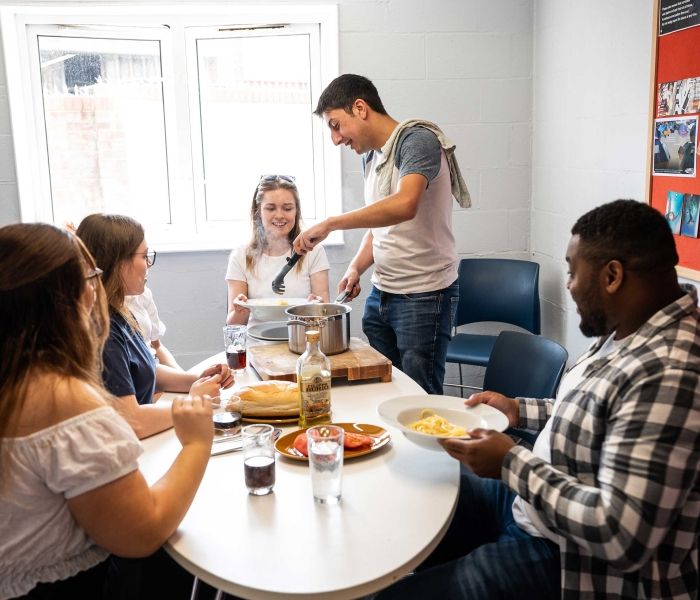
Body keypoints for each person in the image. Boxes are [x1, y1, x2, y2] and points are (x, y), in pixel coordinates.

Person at [376, 199, 700, 599]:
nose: (568, 285)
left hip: (571, 558)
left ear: (612, 275)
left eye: (571, 271)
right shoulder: (632, 329)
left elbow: (622, 536)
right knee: (427, 486)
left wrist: (511, 461)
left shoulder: (669, 372)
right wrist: (516, 410)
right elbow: (595, 414)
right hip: (539, 504)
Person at [0, 223, 214, 599]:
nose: (95, 286)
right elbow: (143, 532)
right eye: (90, 275)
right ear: (70, 297)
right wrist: (196, 443)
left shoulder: (15, 380)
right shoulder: (65, 402)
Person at [293, 74, 470, 394]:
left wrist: (331, 223)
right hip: (381, 294)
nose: (336, 139)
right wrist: (356, 267)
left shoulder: (418, 141)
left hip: (425, 295)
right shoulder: (371, 158)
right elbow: (382, 224)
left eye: (336, 125)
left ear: (360, 108)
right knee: (386, 389)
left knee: (420, 397)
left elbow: (405, 205)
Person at [77, 214, 234, 439]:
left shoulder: (119, 312)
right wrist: (193, 401)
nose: (149, 264)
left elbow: (144, 368)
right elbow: (133, 422)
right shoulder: (104, 333)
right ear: (119, 263)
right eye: (144, 256)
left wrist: (197, 380)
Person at [226, 174, 330, 326]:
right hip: (257, 345)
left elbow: (325, 318)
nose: (280, 215)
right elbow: (234, 325)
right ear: (258, 210)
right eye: (270, 208)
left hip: (302, 341)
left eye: (287, 208)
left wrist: (318, 309)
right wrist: (240, 311)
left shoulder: (314, 252)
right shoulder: (241, 255)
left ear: (296, 211)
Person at [126, 286, 182, 370]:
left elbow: (157, 346)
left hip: (153, 370)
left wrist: (183, 375)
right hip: (139, 374)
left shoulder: (143, 293)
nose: (148, 272)